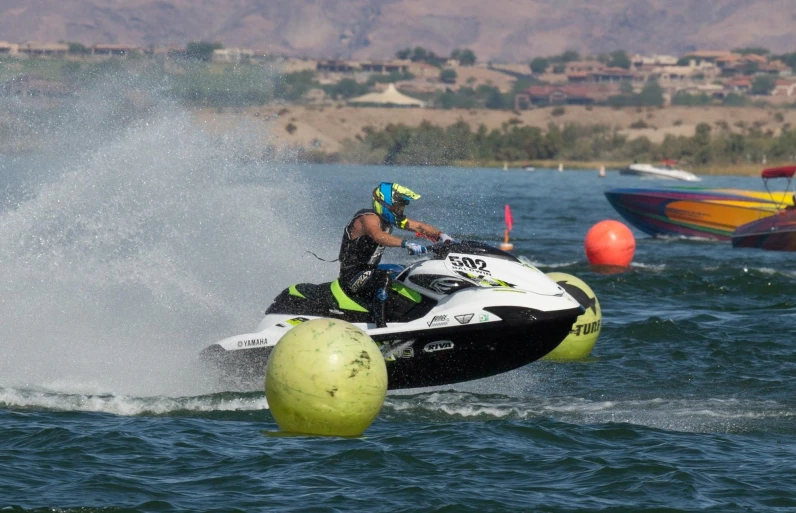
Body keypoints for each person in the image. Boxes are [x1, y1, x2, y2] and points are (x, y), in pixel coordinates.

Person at [338, 182, 452, 328]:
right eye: (398, 206)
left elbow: (419, 227)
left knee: (405, 271)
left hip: (369, 271)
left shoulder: (387, 220)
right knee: (384, 276)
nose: (401, 210)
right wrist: (406, 243)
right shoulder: (367, 218)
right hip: (351, 276)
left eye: (402, 207)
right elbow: (378, 235)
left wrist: (442, 236)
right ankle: (380, 326)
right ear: (384, 204)